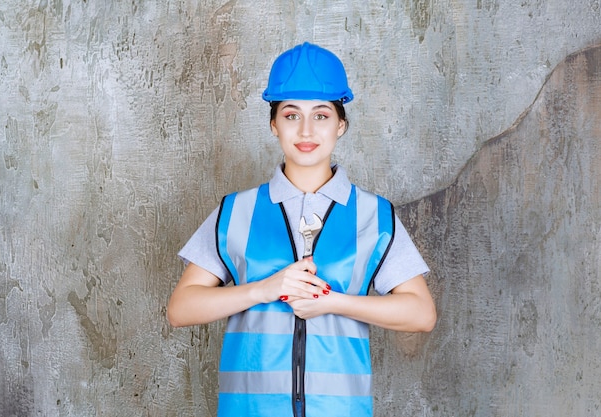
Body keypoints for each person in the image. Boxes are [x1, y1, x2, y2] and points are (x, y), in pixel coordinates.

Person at [167, 42, 437, 417]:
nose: (307, 130)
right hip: (249, 410)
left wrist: (332, 303)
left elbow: (421, 314)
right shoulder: (236, 210)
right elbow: (180, 309)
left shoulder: (375, 215)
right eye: (292, 115)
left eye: (322, 115)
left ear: (341, 124)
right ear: (273, 123)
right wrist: (264, 289)